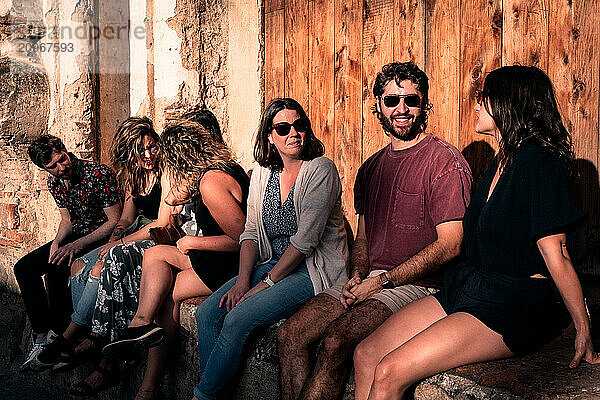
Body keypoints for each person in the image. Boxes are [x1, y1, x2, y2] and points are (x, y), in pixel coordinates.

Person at [353, 65, 600, 400]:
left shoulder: (538, 162)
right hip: (471, 285)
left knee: (388, 372)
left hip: (513, 303)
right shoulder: (501, 160)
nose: (476, 104)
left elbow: (556, 252)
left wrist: (583, 327)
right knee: (366, 355)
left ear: (506, 104)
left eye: (483, 97)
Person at [277, 62, 472, 400]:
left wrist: (380, 282)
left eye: (410, 99)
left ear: (424, 103)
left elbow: (451, 245)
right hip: (371, 279)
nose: (401, 109)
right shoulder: (371, 168)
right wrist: (356, 275)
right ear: (379, 106)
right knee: (290, 334)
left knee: (338, 338)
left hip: (419, 286)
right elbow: (364, 237)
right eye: (392, 100)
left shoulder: (444, 162)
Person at [183, 98, 348, 400]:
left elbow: (305, 242)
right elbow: (249, 233)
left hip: (311, 271)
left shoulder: (321, 169)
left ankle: (203, 396)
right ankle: (215, 392)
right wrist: (245, 281)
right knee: (208, 312)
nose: (293, 133)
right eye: (283, 128)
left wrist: (265, 284)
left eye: (299, 125)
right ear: (270, 136)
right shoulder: (261, 173)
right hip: (270, 264)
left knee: (237, 318)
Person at [102, 118, 250, 400]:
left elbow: (243, 239)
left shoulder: (211, 183)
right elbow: (171, 199)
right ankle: (140, 323)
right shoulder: (210, 173)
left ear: (182, 158)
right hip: (210, 257)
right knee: (155, 256)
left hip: (227, 264)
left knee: (166, 294)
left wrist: (193, 241)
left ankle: (148, 387)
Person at [31, 117, 161, 371]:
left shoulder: (102, 173)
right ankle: (78, 335)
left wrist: (114, 240)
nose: (147, 155)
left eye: (152, 147)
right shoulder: (135, 175)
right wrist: (62, 242)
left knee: (99, 267)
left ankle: (72, 338)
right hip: (124, 233)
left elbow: (138, 222)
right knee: (76, 265)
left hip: (148, 236)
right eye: (140, 151)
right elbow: (125, 218)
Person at [15, 135, 122, 372]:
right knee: (24, 267)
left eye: (62, 159)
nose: (61, 167)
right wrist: (57, 242)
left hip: (101, 237)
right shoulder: (54, 182)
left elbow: (115, 221)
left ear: (65, 150)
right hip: (76, 236)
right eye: (52, 166)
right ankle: (43, 336)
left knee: (59, 264)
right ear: (45, 168)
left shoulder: (97, 173)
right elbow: (67, 220)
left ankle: (63, 337)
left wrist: (75, 246)